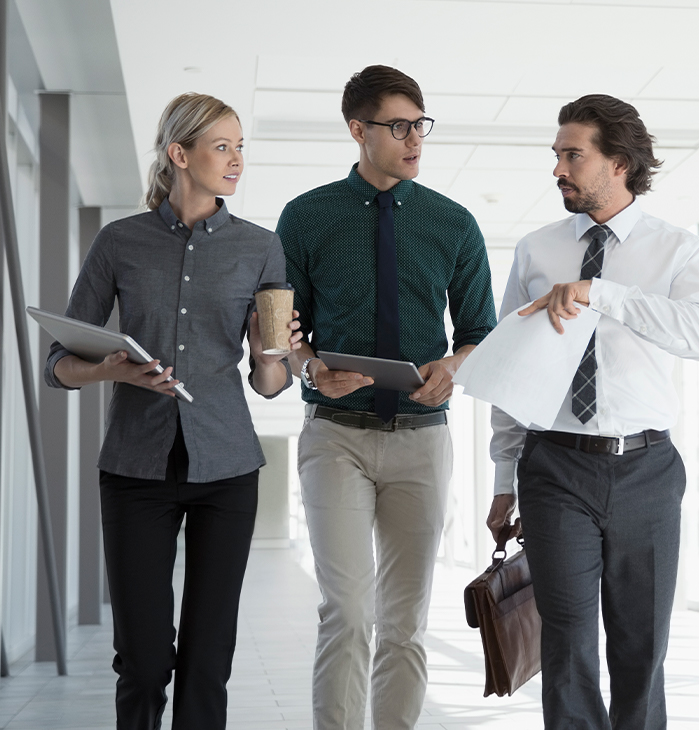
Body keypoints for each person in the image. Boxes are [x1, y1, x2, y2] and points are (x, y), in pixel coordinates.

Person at [44, 92, 301, 730]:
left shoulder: (261, 248)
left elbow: (268, 384)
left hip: (229, 468)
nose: (237, 159)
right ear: (179, 154)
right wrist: (110, 368)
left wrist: (278, 353)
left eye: (241, 146)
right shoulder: (119, 242)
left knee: (209, 659)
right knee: (142, 658)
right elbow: (59, 361)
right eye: (223, 147)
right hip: (134, 469)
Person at [486, 94, 699, 729]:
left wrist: (603, 294)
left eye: (573, 155)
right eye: (557, 155)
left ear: (618, 162)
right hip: (555, 467)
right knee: (567, 647)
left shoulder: (678, 251)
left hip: (646, 468)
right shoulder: (536, 251)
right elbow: (511, 369)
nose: (558, 169)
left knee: (642, 648)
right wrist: (503, 480)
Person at [278, 65, 497, 730]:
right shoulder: (306, 216)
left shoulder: (453, 223)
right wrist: (311, 367)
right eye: (399, 126)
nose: (414, 140)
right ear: (358, 130)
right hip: (335, 435)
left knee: (404, 620)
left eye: (420, 126)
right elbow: (285, 332)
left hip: (423, 441)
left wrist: (453, 367)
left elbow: (482, 333)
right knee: (346, 613)